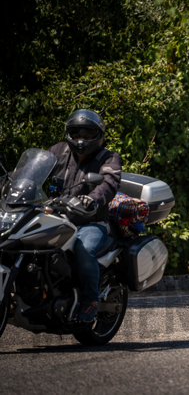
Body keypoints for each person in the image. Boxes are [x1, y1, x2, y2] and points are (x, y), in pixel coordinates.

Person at [48, 109, 122, 322]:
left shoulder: (108, 158)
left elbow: (109, 184)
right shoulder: (58, 151)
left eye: (88, 134)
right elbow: (33, 170)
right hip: (57, 217)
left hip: (91, 222)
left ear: (99, 135)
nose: (81, 139)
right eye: (76, 133)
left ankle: (91, 299)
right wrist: (11, 180)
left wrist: (92, 198)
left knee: (85, 248)